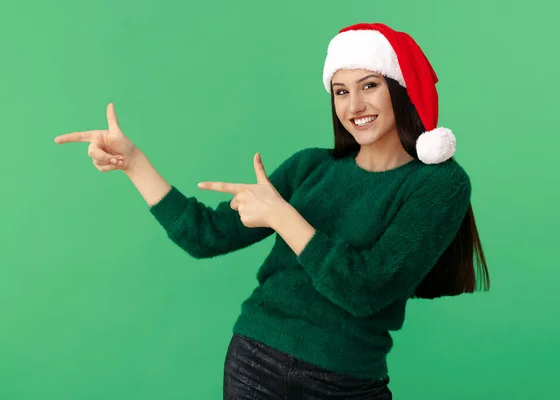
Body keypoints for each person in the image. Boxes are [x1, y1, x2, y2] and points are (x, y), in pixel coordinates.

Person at [55, 22, 490, 399]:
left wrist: (283, 215)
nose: (354, 106)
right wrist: (133, 163)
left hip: (346, 381)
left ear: (398, 89)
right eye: (341, 91)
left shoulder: (439, 183)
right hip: (254, 361)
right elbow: (205, 235)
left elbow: (366, 288)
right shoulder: (310, 167)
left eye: (369, 86)